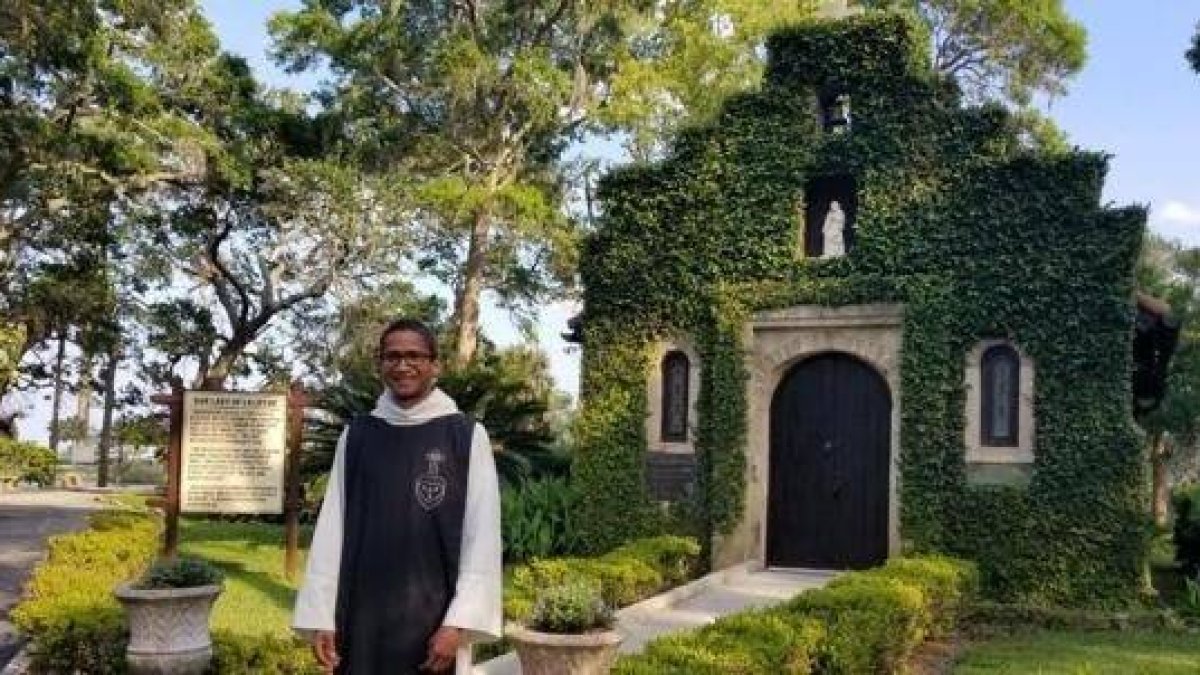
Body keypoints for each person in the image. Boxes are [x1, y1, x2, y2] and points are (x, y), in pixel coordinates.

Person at [293, 319, 502, 674]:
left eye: (414, 356)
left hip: (435, 621)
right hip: (360, 617)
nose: (402, 365)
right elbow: (331, 529)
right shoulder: (357, 435)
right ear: (380, 365)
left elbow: (481, 536)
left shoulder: (465, 437)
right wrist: (322, 617)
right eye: (392, 357)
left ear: (435, 365)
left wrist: (458, 623)